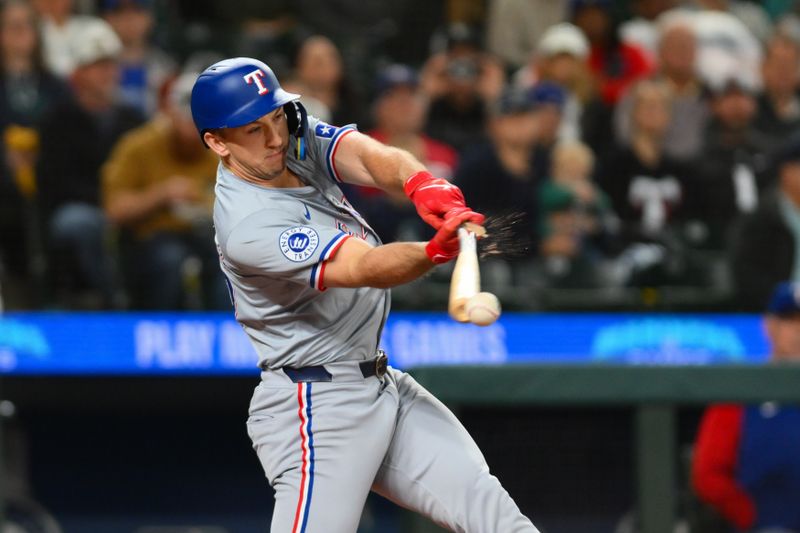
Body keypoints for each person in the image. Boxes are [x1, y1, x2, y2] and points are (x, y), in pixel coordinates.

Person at [190, 57, 539, 533]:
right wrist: (432, 251)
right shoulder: (247, 224)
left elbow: (369, 156)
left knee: (495, 516)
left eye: (276, 117)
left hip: (379, 382)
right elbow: (361, 266)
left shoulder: (287, 140)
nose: (273, 137)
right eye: (253, 129)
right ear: (216, 142)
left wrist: (423, 184)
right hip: (315, 406)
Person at [36, 18, 143, 307]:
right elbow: (55, 183)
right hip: (83, 207)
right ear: (78, 73)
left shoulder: (133, 120)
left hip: (132, 209)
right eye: (98, 66)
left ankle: (152, 307)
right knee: (79, 223)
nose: (107, 73)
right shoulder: (56, 119)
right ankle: (111, 302)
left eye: (111, 65)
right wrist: (107, 205)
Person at [102, 71, 223, 310]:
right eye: (188, 122)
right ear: (171, 115)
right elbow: (114, 209)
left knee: (231, 260)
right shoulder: (138, 147)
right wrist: (161, 195)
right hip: (149, 238)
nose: (194, 132)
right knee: (170, 260)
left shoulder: (219, 148)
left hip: (204, 235)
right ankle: (156, 323)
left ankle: (223, 327)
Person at [692, 280, 800, 533]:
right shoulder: (742, 391)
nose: (798, 331)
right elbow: (708, 473)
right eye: (790, 320)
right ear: (769, 326)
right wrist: (749, 514)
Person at [349, 64, 458, 244]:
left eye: (411, 95)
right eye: (393, 96)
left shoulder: (446, 155)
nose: (404, 103)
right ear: (377, 106)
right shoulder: (357, 147)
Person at [455, 87, 542, 260]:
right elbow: (459, 217)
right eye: (511, 117)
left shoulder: (543, 160)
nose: (520, 124)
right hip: (482, 255)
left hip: (535, 256)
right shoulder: (477, 163)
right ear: (493, 124)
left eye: (525, 116)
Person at [614, 20, 709, 162]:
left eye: (686, 45)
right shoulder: (637, 90)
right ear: (659, 50)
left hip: (697, 173)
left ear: (697, 51)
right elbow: (624, 134)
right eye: (674, 45)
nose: (681, 51)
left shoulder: (710, 94)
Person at [730, 134, 800, 311]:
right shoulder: (761, 218)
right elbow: (747, 274)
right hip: (778, 313)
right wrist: (784, 298)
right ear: (786, 171)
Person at [101, 0, 176, 117]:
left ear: (150, 18)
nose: (129, 19)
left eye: (137, 11)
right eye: (120, 12)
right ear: (107, 18)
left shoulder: (165, 66)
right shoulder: (94, 66)